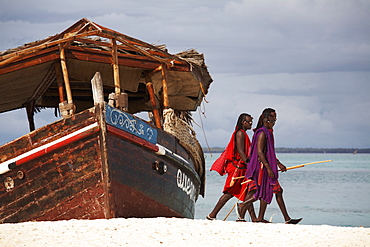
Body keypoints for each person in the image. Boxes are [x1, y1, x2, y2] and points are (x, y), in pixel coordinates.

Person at [237, 108, 302, 224]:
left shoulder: (268, 133)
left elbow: (269, 152)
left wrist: (278, 163)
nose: (274, 123)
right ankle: (244, 208)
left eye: (275, 121)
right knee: (263, 191)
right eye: (272, 121)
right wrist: (268, 168)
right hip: (262, 167)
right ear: (265, 120)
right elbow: (260, 152)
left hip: (267, 166)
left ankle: (260, 217)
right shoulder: (262, 133)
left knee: (271, 191)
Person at [207, 113, 257, 222]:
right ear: (244, 122)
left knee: (246, 191)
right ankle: (212, 215)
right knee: (229, 192)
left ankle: (252, 218)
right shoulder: (240, 133)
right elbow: (240, 151)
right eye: (249, 122)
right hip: (236, 168)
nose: (251, 124)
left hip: (241, 167)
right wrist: (249, 164)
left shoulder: (243, 133)